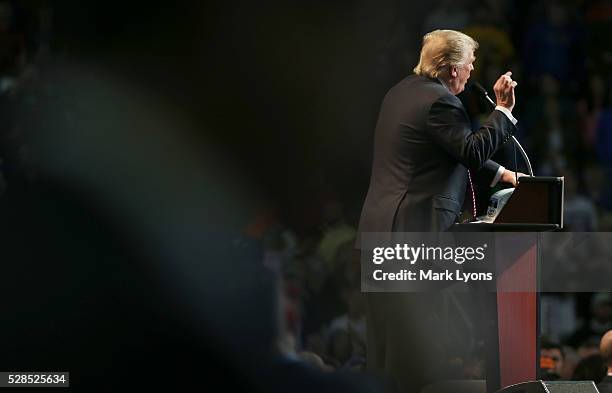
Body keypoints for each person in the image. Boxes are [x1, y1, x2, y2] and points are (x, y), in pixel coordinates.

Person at [357, 29, 520, 392]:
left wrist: (502, 173)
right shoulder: (440, 102)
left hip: (383, 232)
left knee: (384, 347)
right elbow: (470, 150)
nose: (471, 72)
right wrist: (503, 113)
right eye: (469, 65)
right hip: (412, 237)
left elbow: (438, 149)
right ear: (450, 68)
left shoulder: (402, 92)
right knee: (411, 353)